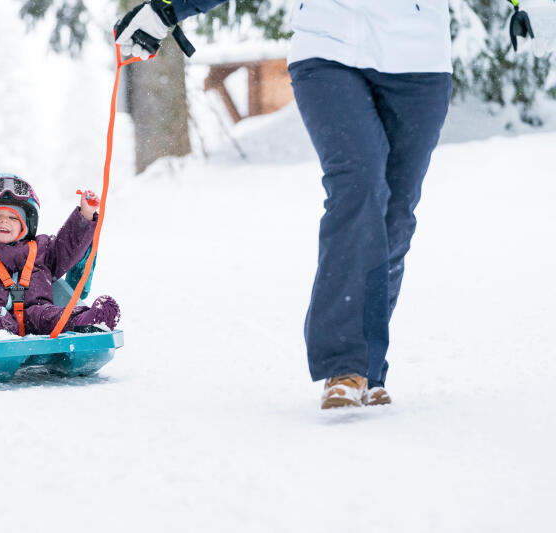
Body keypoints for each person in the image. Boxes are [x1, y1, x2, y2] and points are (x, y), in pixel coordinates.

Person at [114, 0, 458, 408]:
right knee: (358, 187)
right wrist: (169, 9)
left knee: (394, 216)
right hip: (328, 48)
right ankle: (346, 365)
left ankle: (368, 367)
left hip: (419, 60)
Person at [0, 173, 120, 341]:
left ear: (26, 225)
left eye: (14, 218)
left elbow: (69, 246)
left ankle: (92, 322)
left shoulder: (42, 249)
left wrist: (86, 214)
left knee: (58, 317)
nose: (4, 220)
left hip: (38, 313)